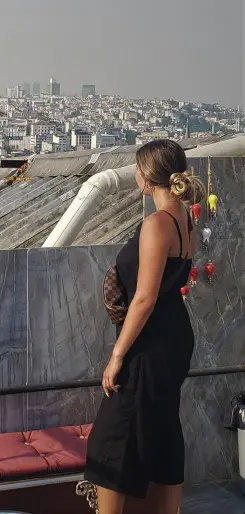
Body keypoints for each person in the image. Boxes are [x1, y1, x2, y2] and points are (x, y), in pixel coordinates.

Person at [85, 139, 204, 514]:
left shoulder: (157, 223)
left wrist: (117, 354)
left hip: (149, 342)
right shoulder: (186, 219)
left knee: (111, 438)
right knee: (165, 426)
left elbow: (145, 298)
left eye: (137, 168)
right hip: (174, 336)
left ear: (147, 178)